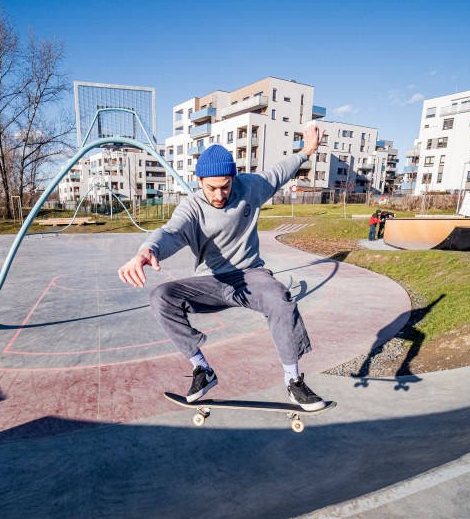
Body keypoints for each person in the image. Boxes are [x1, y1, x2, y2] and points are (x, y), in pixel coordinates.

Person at [118, 122, 332, 411]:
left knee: (280, 300)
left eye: (225, 187)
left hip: (250, 275)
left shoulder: (251, 187)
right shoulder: (191, 207)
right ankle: (202, 370)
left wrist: (306, 151)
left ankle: (293, 381)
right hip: (210, 281)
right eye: (211, 189)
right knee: (161, 296)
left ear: (234, 178)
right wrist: (146, 251)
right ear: (198, 181)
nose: (218, 196)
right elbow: (171, 231)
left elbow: (279, 172)